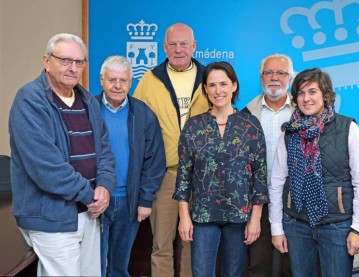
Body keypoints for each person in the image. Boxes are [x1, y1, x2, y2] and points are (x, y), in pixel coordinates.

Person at [8, 33, 116, 276]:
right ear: (46, 61)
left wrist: (105, 188)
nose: (73, 68)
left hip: (89, 212)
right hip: (52, 217)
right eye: (65, 60)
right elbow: (46, 168)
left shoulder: (88, 100)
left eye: (79, 62)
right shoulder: (30, 101)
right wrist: (91, 195)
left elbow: (105, 151)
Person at [269, 68, 359, 276]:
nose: (306, 98)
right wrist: (276, 228)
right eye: (301, 93)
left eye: (312, 92)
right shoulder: (289, 132)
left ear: (325, 96)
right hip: (296, 224)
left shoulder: (347, 128)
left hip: (337, 226)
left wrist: (358, 229)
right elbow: (277, 181)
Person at [173, 61, 269, 276]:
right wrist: (184, 216)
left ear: (234, 86)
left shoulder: (250, 125)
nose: (218, 91)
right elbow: (184, 174)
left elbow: (260, 176)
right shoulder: (194, 126)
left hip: (239, 215)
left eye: (223, 84)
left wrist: (255, 219)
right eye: (212, 85)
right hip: (203, 215)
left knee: (233, 273)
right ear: (206, 89)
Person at [133, 22, 210, 276]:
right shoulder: (149, 79)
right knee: (161, 245)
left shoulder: (209, 78)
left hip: (200, 177)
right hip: (164, 174)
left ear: (193, 46)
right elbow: (136, 125)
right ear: (164, 47)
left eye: (184, 44)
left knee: (193, 243)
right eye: (173, 44)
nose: (178, 49)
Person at [96, 56, 166, 277]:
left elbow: (154, 160)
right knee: (94, 265)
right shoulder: (89, 110)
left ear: (131, 82)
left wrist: (145, 200)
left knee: (119, 265)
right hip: (96, 201)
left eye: (123, 80)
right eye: (112, 79)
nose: (118, 85)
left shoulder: (143, 113)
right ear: (102, 80)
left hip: (130, 202)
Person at [242, 53, 294, 277]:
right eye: (268, 72)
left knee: (293, 264)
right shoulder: (245, 115)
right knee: (258, 264)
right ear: (261, 78)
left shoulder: (304, 112)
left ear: (290, 78)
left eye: (281, 73)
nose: (274, 78)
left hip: (293, 200)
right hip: (257, 201)